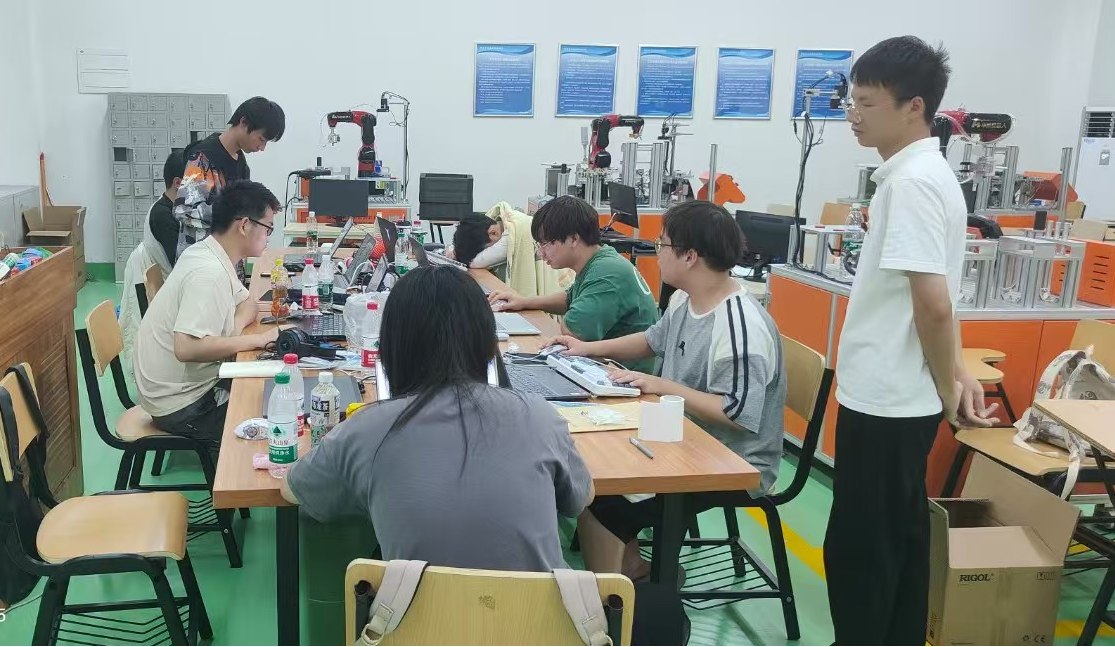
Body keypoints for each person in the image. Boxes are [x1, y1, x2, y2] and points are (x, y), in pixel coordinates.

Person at [825, 36, 999, 646]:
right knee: (896, 539)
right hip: (895, 393)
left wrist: (949, 383)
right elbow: (933, 297)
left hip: (887, 398)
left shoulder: (912, 185)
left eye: (868, 103)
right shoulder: (918, 175)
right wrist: (955, 371)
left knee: (861, 549)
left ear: (914, 107)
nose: (854, 114)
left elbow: (934, 303)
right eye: (852, 101)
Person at [281, 266, 594, 572]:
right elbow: (581, 498)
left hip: (414, 608)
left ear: (390, 347)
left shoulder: (367, 429)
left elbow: (292, 490)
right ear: (488, 344)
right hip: (539, 608)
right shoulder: (539, 416)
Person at [548, 200, 786, 581]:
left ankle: (626, 592)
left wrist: (661, 385)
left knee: (605, 499)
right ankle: (629, 576)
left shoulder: (740, 325)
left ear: (690, 256)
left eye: (662, 244)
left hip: (733, 462)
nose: (656, 253)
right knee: (592, 479)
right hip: (678, 436)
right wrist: (586, 349)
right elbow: (651, 340)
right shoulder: (684, 299)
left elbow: (737, 413)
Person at [134, 180, 283, 450]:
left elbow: (248, 303)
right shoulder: (208, 273)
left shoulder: (209, 253)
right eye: (267, 228)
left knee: (270, 393)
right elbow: (186, 348)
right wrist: (258, 340)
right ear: (244, 225)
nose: (269, 236)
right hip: (182, 406)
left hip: (183, 389)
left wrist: (232, 334)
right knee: (280, 421)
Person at [487, 195, 659, 372]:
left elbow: (573, 333)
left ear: (573, 239)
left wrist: (568, 317)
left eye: (546, 244)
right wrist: (524, 302)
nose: (541, 253)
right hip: (603, 368)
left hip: (622, 376)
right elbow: (570, 297)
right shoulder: (600, 258)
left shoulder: (607, 273)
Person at [175, 96, 285, 256]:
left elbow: (241, 205)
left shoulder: (240, 161)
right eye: (261, 139)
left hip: (227, 256)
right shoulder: (203, 157)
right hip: (201, 257)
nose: (262, 147)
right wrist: (232, 214)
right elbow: (184, 209)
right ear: (243, 122)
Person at [119, 151, 186, 368]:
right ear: (178, 182)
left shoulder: (175, 208)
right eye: (195, 182)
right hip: (152, 279)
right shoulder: (163, 214)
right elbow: (181, 264)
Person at [449, 202, 574, 297]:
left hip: (561, 289)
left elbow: (476, 262)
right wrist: (455, 249)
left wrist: (457, 254)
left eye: (485, 249)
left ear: (493, 233)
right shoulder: (500, 222)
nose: (487, 251)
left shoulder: (511, 235)